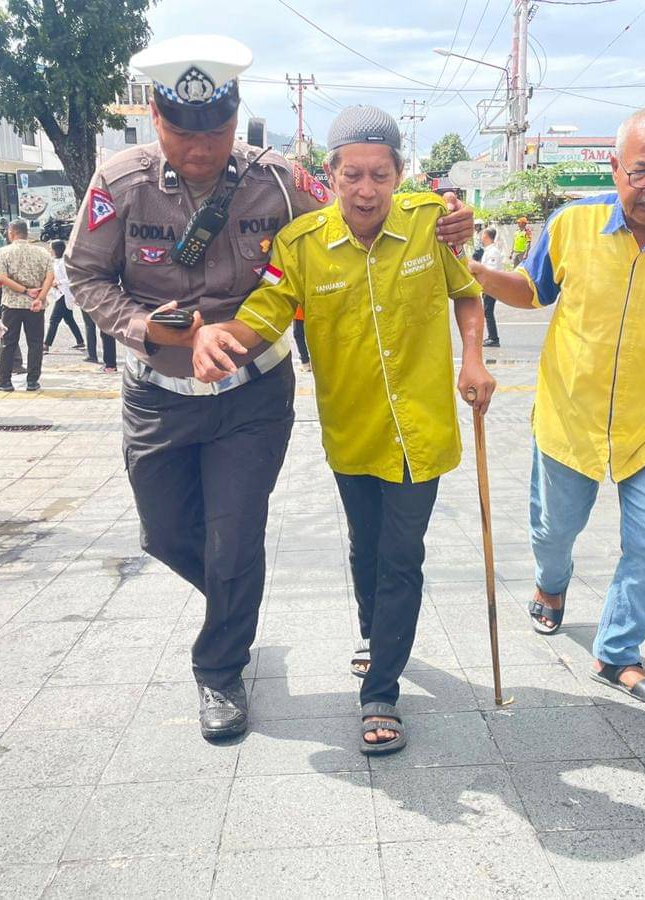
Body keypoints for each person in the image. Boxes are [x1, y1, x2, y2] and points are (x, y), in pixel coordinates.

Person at [66, 36, 473, 742]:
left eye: (216, 131)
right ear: (156, 121)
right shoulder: (118, 184)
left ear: (235, 120)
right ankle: (234, 598)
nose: (201, 148)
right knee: (165, 535)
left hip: (252, 395)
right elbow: (85, 279)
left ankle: (220, 669)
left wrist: (446, 224)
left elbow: (359, 203)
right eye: (184, 133)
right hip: (158, 393)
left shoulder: (280, 179)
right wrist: (156, 331)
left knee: (233, 539)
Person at [193, 105, 493, 755]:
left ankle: (380, 691)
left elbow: (467, 294)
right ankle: (377, 636)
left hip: (422, 427)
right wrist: (224, 339)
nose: (366, 189)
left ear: (398, 175)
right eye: (352, 174)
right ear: (329, 176)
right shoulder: (300, 248)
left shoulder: (427, 225)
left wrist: (473, 356)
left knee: (400, 555)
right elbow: (266, 313)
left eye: (380, 175)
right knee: (366, 545)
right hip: (351, 428)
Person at [468, 106, 645, 705]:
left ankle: (618, 652)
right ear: (615, 167)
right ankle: (551, 585)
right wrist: (475, 273)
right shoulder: (572, 223)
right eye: (642, 171)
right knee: (553, 531)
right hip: (571, 416)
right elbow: (531, 291)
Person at [0, 219, 53, 392]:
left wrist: (25, 291)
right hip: (36, 306)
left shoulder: (3, 252)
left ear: (11, 233)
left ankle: (5, 381)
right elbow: (50, 277)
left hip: (12, 304)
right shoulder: (42, 252)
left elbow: (2, 277)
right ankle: (32, 381)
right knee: (35, 343)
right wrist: (40, 298)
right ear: (27, 233)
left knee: (8, 342)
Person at [42, 240, 85, 353]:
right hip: (60, 293)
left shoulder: (63, 262)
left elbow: (70, 279)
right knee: (69, 319)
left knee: (54, 320)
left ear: (56, 250)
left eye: (51, 248)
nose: (49, 250)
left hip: (64, 294)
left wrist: (58, 282)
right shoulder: (56, 261)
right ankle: (80, 341)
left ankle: (46, 344)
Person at [479, 226, 504, 347]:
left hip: (491, 287)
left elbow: (491, 271)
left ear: (487, 237)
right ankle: (492, 337)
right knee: (487, 312)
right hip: (488, 286)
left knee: (488, 312)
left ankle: (494, 338)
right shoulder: (488, 250)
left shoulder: (493, 251)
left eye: (483, 235)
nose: (481, 237)